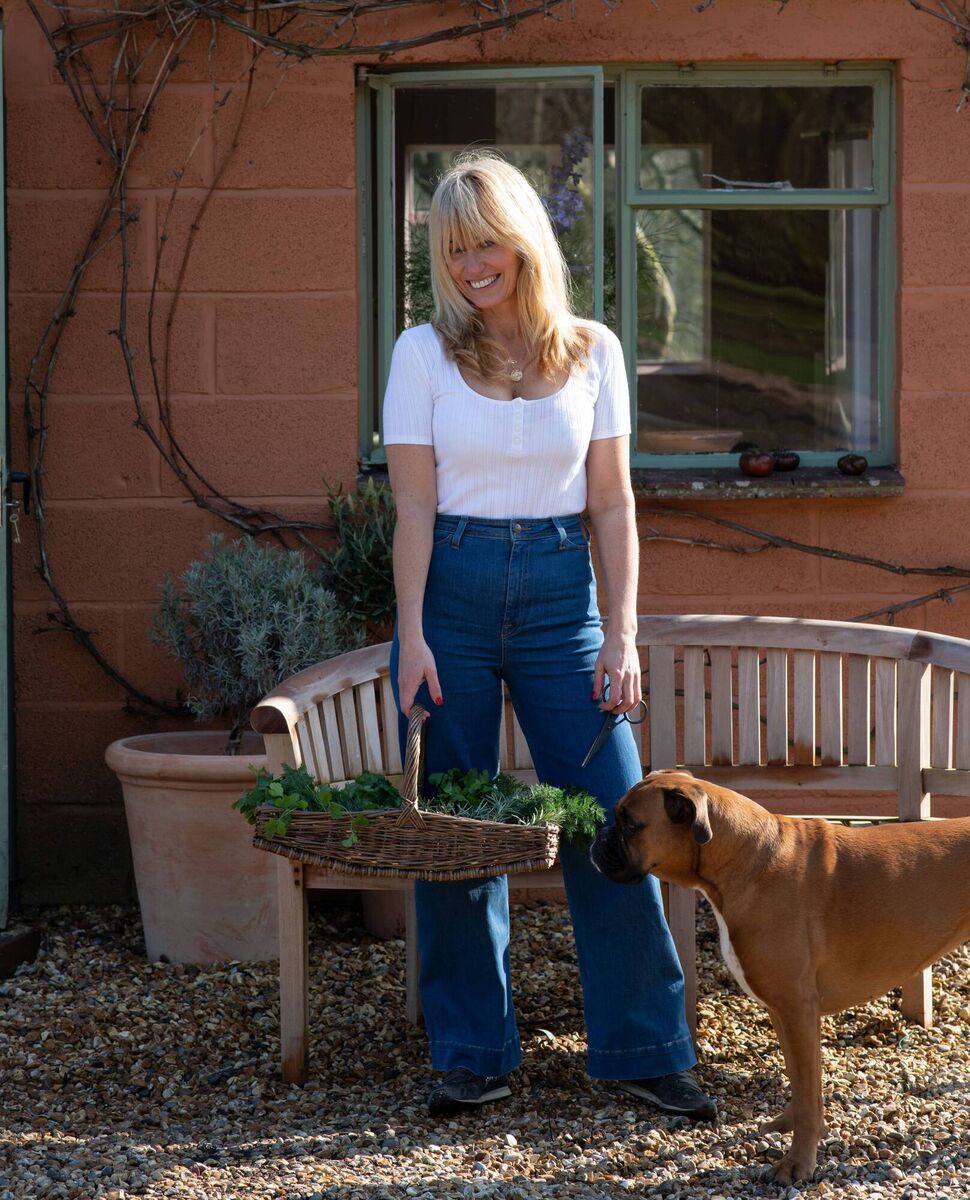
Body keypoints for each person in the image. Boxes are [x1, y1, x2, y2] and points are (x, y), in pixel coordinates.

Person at [382, 152, 715, 1121]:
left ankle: (645, 1049)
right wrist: (409, 633)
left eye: (485, 242)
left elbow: (612, 505)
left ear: (524, 239)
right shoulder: (421, 355)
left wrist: (622, 635)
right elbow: (410, 506)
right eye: (452, 250)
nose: (471, 265)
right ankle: (470, 1052)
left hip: (564, 601)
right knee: (457, 828)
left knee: (615, 819)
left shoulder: (596, 351)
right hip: (451, 591)